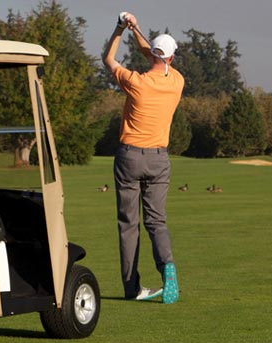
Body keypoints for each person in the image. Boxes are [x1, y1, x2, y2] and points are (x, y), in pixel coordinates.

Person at [103, 12, 182, 304]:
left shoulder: (136, 82)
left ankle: (131, 287)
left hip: (129, 157)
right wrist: (137, 30)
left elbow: (108, 59)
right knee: (157, 222)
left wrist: (120, 28)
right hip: (159, 159)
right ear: (172, 58)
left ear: (153, 55)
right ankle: (167, 266)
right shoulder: (177, 81)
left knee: (128, 224)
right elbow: (152, 53)